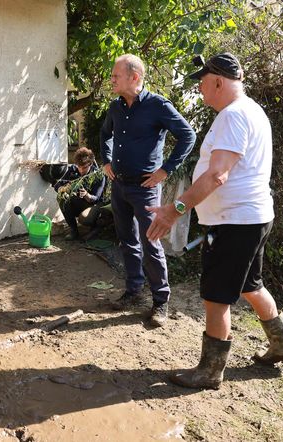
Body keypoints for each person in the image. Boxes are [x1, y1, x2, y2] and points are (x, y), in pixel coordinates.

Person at [146, 52, 283, 388]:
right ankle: (282, 344)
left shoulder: (233, 115)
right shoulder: (251, 110)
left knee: (216, 296)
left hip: (235, 222)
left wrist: (176, 209)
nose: (200, 90)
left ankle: (210, 370)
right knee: (251, 285)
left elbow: (217, 175)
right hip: (253, 217)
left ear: (218, 80)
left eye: (202, 82)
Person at [100, 54, 195, 327]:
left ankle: (160, 302)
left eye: (116, 75)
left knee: (150, 241)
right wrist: (106, 161)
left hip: (145, 188)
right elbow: (105, 134)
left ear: (135, 77)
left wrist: (166, 170)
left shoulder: (157, 106)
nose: (112, 79)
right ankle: (132, 291)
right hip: (119, 184)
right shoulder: (116, 107)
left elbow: (187, 135)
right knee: (127, 240)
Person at [53, 147, 106, 240]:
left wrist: (87, 195)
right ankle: (73, 230)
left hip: (94, 204)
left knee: (85, 218)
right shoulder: (73, 169)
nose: (81, 170)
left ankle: (96, 226)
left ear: (90, 163)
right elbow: (58, 184)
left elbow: (96, 198)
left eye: (84, 167)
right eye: (79, 167)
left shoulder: (98, 175)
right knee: (62, 198)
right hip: (78, 202)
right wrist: (63, 189)